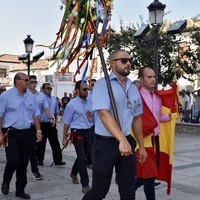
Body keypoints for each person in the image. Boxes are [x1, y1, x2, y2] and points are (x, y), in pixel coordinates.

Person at [82, 49, 147, 200]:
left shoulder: (133, 87)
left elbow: (137, 118)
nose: (128, 63)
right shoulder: (102, 84)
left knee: (128, 191)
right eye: (123, 60)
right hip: (105, 145)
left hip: (127, 143)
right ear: (112, 64)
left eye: (130, 60)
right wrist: (121, 140)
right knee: (99, 191)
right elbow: (104, 114)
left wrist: (141, 146)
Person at [0, 72, 42, 199]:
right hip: (12, 133)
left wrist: (38, 131)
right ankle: (6, 181)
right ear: (18, 81)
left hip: (28, 133)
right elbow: (0, 115)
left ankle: (20, 190)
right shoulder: (6, 96)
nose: (28, 82)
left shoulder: (30, 96)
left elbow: (35, 114)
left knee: (24, 163)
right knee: (14, 160)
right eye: (26, 80)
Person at [135, 67, 171, 200]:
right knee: (149, 177)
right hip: (142, 140)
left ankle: (126, 193)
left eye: (154, 76)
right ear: (141, 79)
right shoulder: (136, 96)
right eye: (149, 77)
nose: (153, 79)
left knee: (142, 177)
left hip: (156, 140)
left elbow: (157, 118)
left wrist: (168, 117)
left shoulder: (158, 96)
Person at [62, 80, 93, 193]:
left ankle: (74, 172)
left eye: (87, 89)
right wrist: (64, 138)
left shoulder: (90, 101)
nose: (86, 92)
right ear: (77, 90)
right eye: (84, 89)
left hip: (89, 131)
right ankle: (85, 184)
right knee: (81, 158)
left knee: (84, 156)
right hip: (77, 132)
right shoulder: (72, 104)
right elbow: (66, 122)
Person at [28, 75, 56, 180]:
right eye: (31, 82)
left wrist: (51, 118)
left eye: (35, 82)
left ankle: (35, 170)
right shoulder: (24, 95)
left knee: (33, 147)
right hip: (26, 125)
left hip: (37, 124)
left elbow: (46, 109)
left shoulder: (40, 96)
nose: (34, 84)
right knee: (26, 149)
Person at [36, 83, 65, 166]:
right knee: (41, 143)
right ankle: (39, 159)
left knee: (55, 142)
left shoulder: (53, 99)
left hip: (51, 123)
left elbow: (56, 111)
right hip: (43, 123)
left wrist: (55, 119)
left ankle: (58, 160)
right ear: (43, 89)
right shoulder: (40, 98)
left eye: (50, 88)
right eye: (48, 88)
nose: (50, 90)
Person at [86, 78, 96, 168]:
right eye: (92, 85)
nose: (94, 86)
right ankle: (89, 161)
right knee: (90, 143)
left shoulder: (100, 95)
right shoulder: (87, 96)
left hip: (98, 122)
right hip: (89, 123)